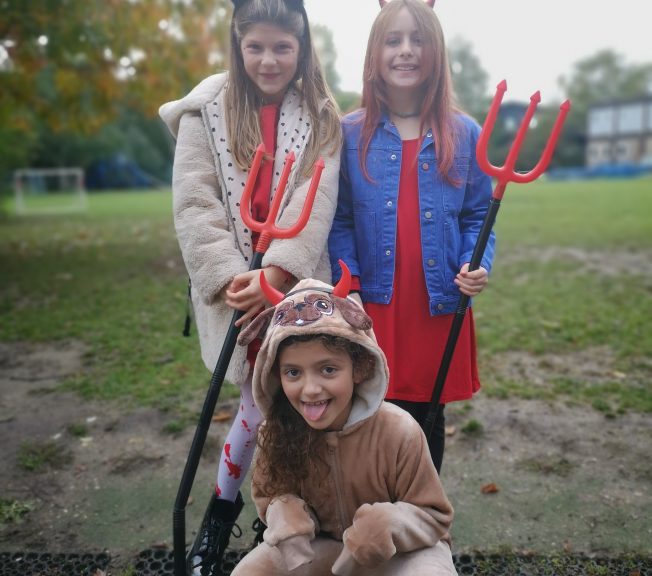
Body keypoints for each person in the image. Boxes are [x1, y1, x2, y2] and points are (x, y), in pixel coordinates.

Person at [159, 0, 341, 573]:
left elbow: (318, 200)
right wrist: (231, 277)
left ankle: (284, 515)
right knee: (255, 407)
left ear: (302, 47)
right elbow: (194, 201)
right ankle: (220, 516)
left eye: (282, 47)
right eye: (256, 46)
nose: (269, 60)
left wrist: (277, 274)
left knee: (301, 404)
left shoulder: (319, 113)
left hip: (294, 285)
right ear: (237, 46)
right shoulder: (207, 108)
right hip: (235, 294)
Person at [328, 0, 495, 473]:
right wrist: (350, 286)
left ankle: (421, 525)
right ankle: (368, 522)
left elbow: (479, 214)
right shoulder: (349, 132)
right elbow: (338, 219)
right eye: (393, 40)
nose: (406, 51)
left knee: (426, 415)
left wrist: (477, 261)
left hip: (435, 303)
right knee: (366, 414)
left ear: (436, 52)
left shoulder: (463, 133)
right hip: (370, 302)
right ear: (374, 54)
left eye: (417, 39)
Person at [231, 269, 457, 575]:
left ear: (360, 367)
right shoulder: (276, 432)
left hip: (401, 555)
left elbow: (435, 516)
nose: (310, 389)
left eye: (328, 370)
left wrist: (389, 524)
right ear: (275, 375)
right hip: (325, 548)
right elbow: (268, 495)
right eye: (293, 372)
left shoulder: (399, 430)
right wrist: (283, 512)